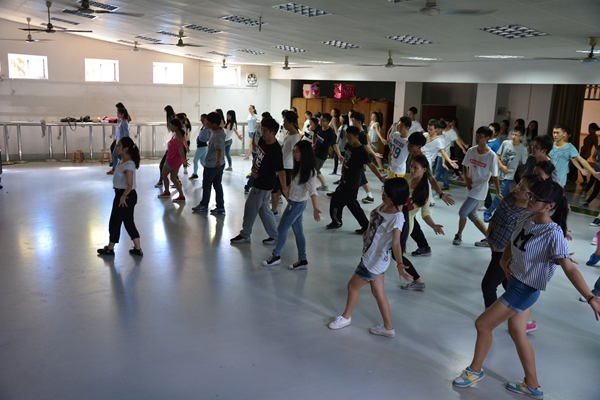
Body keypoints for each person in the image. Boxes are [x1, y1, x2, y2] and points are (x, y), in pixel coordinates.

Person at [452, 180, 600, 399]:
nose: (528, 200)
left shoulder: (553, 233)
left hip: (524, 289)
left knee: (482, 324)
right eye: (530, 195)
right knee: (517, 333)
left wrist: (590, 296)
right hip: (516, 282)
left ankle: (475, 370)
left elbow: (569, 268)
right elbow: (513, 240)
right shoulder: (526, 217)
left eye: (534, 198)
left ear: (550, 206)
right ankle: (532, 385)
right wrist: (504, 260)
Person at [327, 178, 414, 337]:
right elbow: (375, 222)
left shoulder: (397, 217)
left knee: (352, 287)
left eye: (386, 193)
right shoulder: (385, 205)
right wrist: (366, 234)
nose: (382, 194)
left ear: (394, 197)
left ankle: (346, 317)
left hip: (373, 261)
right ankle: (388, 328)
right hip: (373, 257)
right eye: (383, 191)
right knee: (378, 292)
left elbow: (396, 243)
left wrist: (400, 263)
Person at [479, 175, 542, 329]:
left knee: (488, 285)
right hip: (495, 245)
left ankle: (490, 319)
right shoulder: (510, 197)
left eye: (522, 188)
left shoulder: (528, 214)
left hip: (507, 254)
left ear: (531, 195)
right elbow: (496, 216)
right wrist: (489, 236)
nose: (517, 189)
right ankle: (527, 321)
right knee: (509, 284)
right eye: (519, 184)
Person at [262, 141, 322, 269]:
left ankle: (276, 255)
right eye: (294, 151)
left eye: (297, 151)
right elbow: (295, 184)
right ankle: (302, 259)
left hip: (297, 205)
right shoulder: (300, 167)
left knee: (281, 229)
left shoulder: (310, 172)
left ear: (305, 153)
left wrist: (316, 208)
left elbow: (313, 192)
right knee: (298, 232)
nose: (294, 154)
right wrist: (287, 189)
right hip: (294, 203)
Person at [231, 117, 288, 244]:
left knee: (250, 207)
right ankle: (275, 236)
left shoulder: (275, 150)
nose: (262, 132)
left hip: (264, 184)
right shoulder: (263, 140)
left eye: (265, 130)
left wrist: (284, 187)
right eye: (262, 129)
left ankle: (245, 234)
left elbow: (281, 171)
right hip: (258, 179)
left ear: (273, 133)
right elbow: (258, 154)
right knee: (264, 209)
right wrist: (253, 167)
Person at [327, 126, 387, 234]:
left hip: (352, 181)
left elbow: (371, 165)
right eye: (347, 138)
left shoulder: (362, 151)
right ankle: (366, 226)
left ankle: (337, 221)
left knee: (336, 200)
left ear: (357, 137)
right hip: (347, 178)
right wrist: (342, 172)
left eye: (350, 138)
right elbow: (346, 159)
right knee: (352, 204)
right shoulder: (348, 145)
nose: (348, 140)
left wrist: (380, 177)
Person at [400, 155, 446, 288]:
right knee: (383, 248)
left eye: (416, 168)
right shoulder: (406, 178)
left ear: (424, 169)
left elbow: (425, 214)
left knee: (395, 253)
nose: (412, 170)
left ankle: (418, 281)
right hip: (394, 219)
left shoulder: (425, 191)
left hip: (405, 225)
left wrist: (433, 225)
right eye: (411, 167)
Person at [452, 126, 500, 246]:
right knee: (472, 215)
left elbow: (495, 175)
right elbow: (465, 165)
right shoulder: (471, 150)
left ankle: (458, 235)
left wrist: (498, 192)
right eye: (476, 136)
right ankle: (489, 239)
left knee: (463, 212)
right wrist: (467, 179)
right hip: (471, 186)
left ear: (487, 138)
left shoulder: (491, 155)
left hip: (480, 188)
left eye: (480, 137)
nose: (477, 138)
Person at [97, 136, 142, 256]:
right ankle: (137, 249)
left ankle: (110, 248)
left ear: (126, 149)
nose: (116, 147)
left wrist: (123, 196)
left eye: (119, 146)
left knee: (115, 222)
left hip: (125, 196)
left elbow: (130, 184)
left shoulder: (129, 165)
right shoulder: (123, 161)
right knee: (128, 222)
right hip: (124, 195)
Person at [483, 127, 528, 223]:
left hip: (509, 174)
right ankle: (508, 212)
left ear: (521, 137)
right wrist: (501, 166)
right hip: (499, 171)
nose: (514, 137)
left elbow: (524, 163)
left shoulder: (523, 149)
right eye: (513, 134)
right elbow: (497, 155)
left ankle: (488, 212)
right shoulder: (505, 143)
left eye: (516, 135)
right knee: (507, 195)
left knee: (499, 194)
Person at [192, 112, 226, 215]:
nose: (207, 124)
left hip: (213, 165)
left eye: (208, 122)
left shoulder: (217, 135)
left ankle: (204, 205)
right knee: (217, 185)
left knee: (207, 185)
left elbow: (219, 149)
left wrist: (217, 161)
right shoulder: (218, 131)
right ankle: (220, 206)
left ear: (214, 123)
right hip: (218, 164)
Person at [272, 111, 300, 216]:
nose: (283, 124)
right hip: (283, 165)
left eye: (285, 122)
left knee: (284, 190)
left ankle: (294, 209)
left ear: (291, 123)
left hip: (287, 167)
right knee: (279, 189)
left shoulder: (295, 137)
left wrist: (295, 169)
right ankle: (274, 210)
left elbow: (295, 154)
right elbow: (284, 147)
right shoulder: (289, 133)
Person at [158, 118, 188, 203]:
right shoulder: (178, 135)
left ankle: (167, 191)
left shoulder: (178, 137)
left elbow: (180, 149)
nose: (170, 127)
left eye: (171, 126)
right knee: (173, 178)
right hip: (176, 161)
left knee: (164, 175)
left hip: (171, 160)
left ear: (176, 126)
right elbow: (183, 144)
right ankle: (181, 195)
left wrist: (184, 160)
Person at [313, 113, 337, 191]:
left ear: (328, 122)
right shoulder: (319, 127)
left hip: (321, 155)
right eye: (320, 119)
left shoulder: (330, 133)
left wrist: (339, 155)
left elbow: (334, 144)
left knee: (314, 170)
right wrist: (314, 144)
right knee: (314, 169)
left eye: (323, 120)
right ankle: (324, 185)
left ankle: (324, 185)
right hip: (315, 151)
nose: (320, 121)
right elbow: (315, 135)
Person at [156, 105, 176, 188]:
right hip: (170, 148)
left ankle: (161, 181)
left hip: (171, 149)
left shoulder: (172, 120)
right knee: (171, 167)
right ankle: (175, 181)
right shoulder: (172, 119)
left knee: (162, 165)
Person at [107, 107, 130, 175]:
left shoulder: (125, 122)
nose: (117, 114)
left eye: (118, 113)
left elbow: (127, 134)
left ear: (122, 114)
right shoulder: (121, 121)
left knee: (116, 155)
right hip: (118, 141)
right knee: (116, 155)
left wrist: (126, 143)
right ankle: (118, 167)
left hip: (121, 142)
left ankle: (116, 168)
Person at [190, 114, 210, 180]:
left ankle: (195, 174)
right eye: (201, 120)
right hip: (201, 146)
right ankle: (208, 171)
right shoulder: (203, 126)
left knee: (195, 160)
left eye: (203, 120)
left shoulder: (208, 129)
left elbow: (210, 138)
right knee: (202, 162)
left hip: (202, 146)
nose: (202, 121)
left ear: (207, 120)